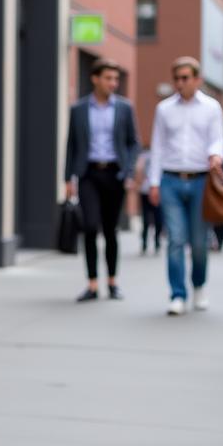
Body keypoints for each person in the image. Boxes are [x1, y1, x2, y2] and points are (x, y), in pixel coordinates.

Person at [147, 56, 223, 315]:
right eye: (176, 78)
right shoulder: (164, 109)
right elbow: (157, 146)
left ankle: (199, 285)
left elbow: (218, 140)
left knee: (199, 242)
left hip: (201, 180)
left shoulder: (212, 107)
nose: (180, 83)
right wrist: (154, 182)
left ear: (197, 79)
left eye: (185, 78)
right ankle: (177, 294)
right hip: (170, 180)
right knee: (175, 240)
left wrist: (216, 155)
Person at [63, 58, 141, 301]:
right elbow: (71, 145)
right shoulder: (78, 109)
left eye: (116, 79)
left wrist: (128, 171)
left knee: (110, 230)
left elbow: (133, 143)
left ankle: (112, 282)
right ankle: (93, 283)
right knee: (89, 227)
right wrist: (68, 179)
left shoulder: (124, 108)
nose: (113, 83)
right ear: (95, 79)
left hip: (114, 174)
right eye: (108, 78)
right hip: (88, 173)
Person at [134, 146, 163, 254]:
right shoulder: (143, 156)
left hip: (159, 191)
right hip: (145, 191)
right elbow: (138, 171)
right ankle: (144, 243)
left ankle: (157, 241)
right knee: (145, 219)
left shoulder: (161, 155)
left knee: (158, 219)